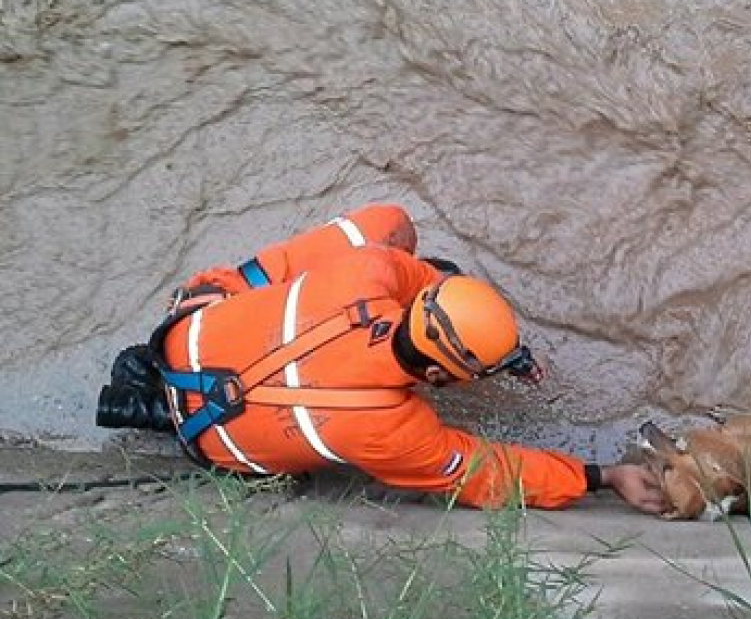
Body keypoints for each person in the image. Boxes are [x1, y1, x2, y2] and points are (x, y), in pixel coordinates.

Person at [96, 203, 665, 514]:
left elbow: (408, 254)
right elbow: (488, 474)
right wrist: (602, 475)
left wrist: (475, 317)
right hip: (214, 445)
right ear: (439, 376)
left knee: (380, 223)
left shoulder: (367, 270)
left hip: (181, 330)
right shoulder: (394, 432)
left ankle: (160, 371)